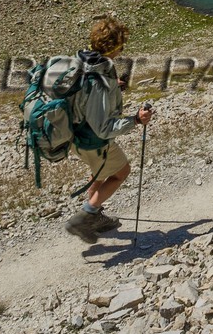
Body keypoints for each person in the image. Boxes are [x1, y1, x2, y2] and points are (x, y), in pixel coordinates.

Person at [64, 16, 153, 243]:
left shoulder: (83, 61)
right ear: (114, 46)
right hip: (94, 141)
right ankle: (86, 215)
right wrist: (136, 120)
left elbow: (88, 98)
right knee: (121, 172)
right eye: (121, 44)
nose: (122, 49)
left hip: (75, 137)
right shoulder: (101, 76)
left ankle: (95, 216)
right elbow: (104, 129)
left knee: (99, 172)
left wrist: (115, 86)